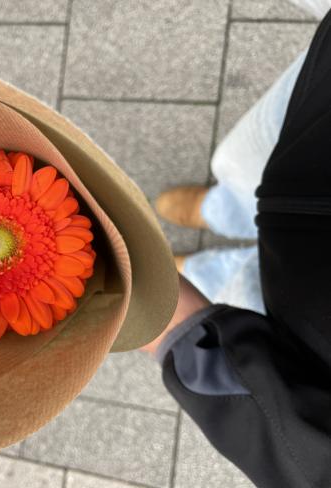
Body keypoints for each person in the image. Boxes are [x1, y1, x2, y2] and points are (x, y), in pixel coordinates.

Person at [143, 6, 331, 488]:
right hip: (315, 127)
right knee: (241, 158)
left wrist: (184, 336)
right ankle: (221, 209)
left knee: (242, 291)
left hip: (302, 320)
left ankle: (209, 260)